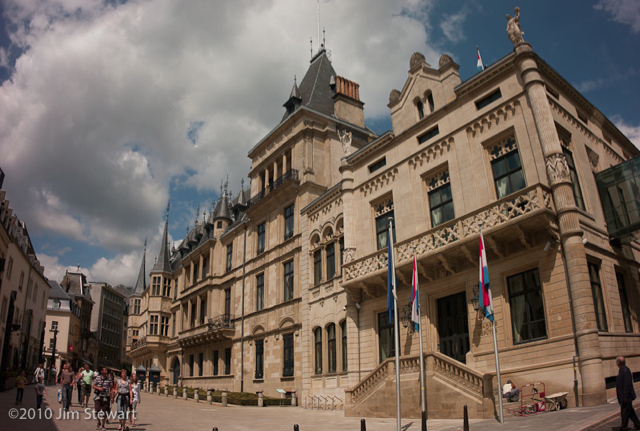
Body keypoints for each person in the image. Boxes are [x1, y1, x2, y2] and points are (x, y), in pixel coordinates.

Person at [616, 356, 640, 430]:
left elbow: (627, 385)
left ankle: (623, 428)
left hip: (626, 397)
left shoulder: (625, 370)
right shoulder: (622, 370)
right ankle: (638, 425)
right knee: (630, 412)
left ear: (618, 363)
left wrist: (625, 397)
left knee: (624, 413)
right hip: (624, 397)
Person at [93, 367, 113, 431]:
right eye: (105, 370)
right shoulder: (98, 378)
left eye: (106, 370)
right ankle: (99, 422)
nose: (106, 371)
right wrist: (99, 388)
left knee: (105, 411)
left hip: (106, 396)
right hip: (98, 396)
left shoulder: (109, 378)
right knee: (96, 410)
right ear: (101, 371)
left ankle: (103, 424)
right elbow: (93, 386)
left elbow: (111, 387)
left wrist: (111, 396)